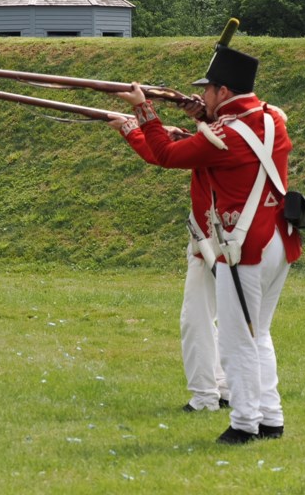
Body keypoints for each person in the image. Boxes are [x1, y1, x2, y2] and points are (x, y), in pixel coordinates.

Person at [116, 45, 301, 445]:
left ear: (222, 90)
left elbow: (165, 154)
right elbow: (228, 138)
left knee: (236, 340)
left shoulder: (225, 134)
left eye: (209, 90)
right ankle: (271, 417)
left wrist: (144, 110)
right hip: (277, 241)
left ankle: (245, 422)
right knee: (259, 334)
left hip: (244, 246)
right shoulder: (271, 120)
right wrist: (200, 118)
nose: (205, 95)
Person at [107, 111, 230, 411]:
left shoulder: (220, 138)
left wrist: (138, 119)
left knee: (197, 319)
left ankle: (204, 396)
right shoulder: (240, 131)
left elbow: (164, 155)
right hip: (228, 240)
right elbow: (175, 150)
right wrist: (147, 130)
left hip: (213, 244)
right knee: (216, 319)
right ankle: (224, 387)